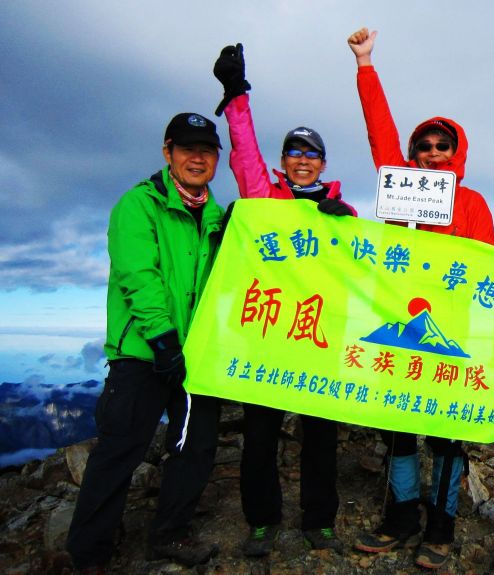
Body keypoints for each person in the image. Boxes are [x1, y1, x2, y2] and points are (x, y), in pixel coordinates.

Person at [346, 27, 494, 570]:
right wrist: (366, 64)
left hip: (450, 332)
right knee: (399, 430)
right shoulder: (399, 187)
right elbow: (378, 133)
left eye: (442, 145)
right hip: (399, 326)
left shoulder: (473, 203)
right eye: (423, 146)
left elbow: (486, 275)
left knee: (447, 436)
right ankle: (401, 516)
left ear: (457, 152)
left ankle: (442, 524)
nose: (431, 153)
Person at [211, 43, 357, 557]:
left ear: (323, 163)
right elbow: (245, 153)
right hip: (268, 336)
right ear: (283, 162)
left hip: (318, 341)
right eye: (293, 152)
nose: (301, 160)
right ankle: (261, 520)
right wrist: (236, 95)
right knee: (259, 436)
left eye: (310, 153)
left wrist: (349, 227)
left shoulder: (343, 211)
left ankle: (319, 522)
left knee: (320, 439)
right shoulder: (263, 198)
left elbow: (367, 271)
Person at [65, 113, 225, 573]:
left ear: (216, 159)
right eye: (187, 148)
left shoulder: (218, 217)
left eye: (207, 150)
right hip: (141, 353)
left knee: (195, 448)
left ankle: (169, 535)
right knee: (119, 451)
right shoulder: (138, 205)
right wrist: (163, 340)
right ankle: (86, 555)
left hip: (195, 358)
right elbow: (140, 276)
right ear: (167, 152)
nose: (197, 158)